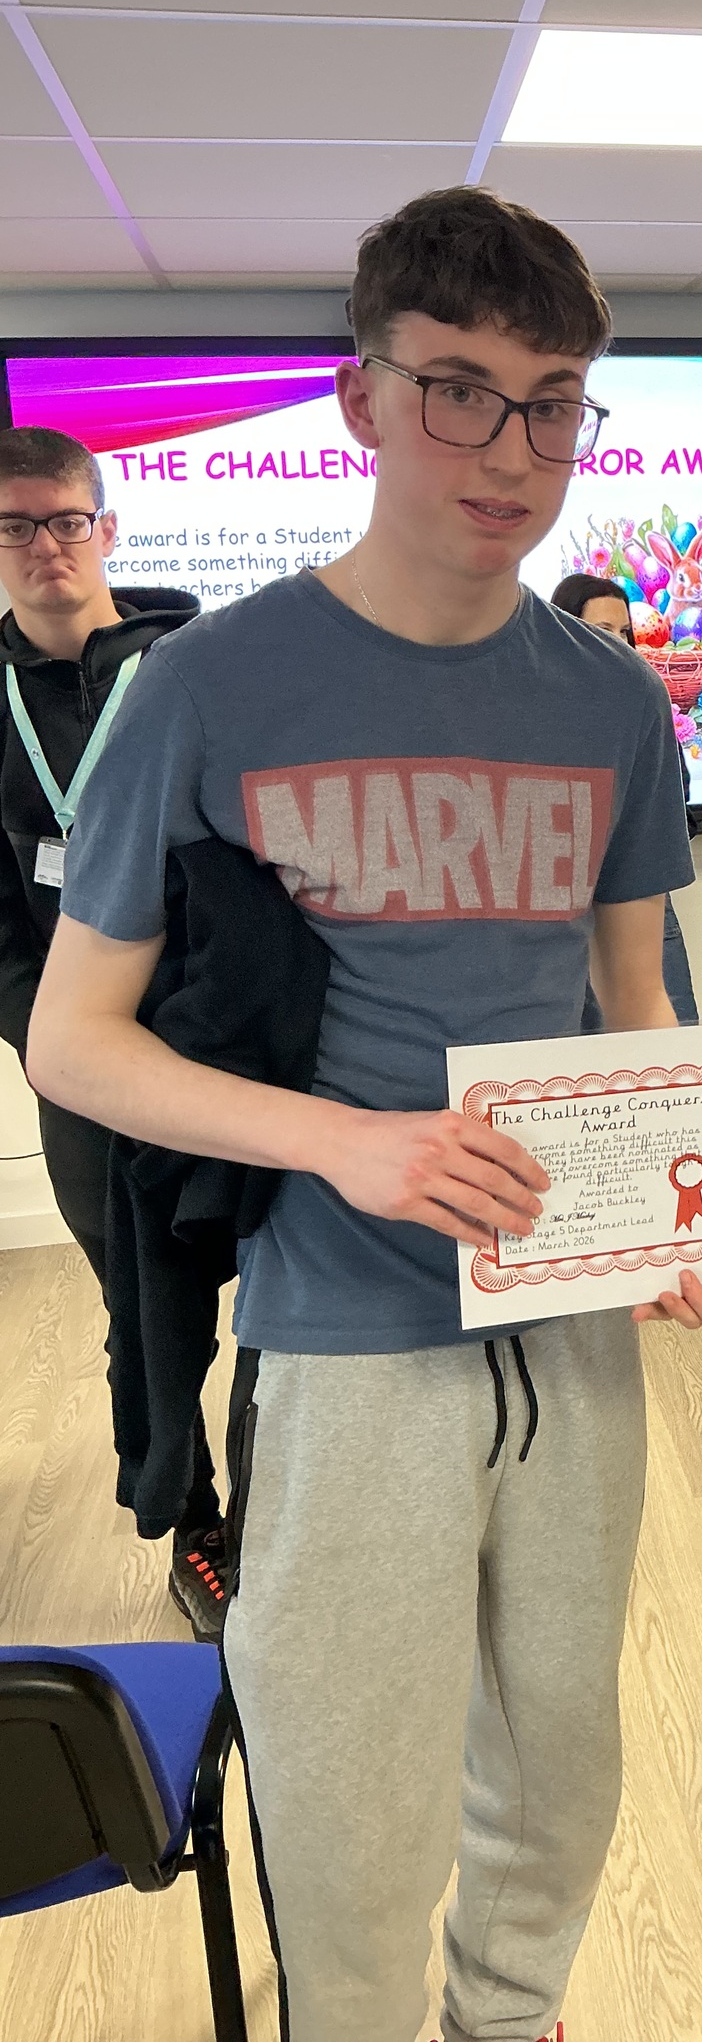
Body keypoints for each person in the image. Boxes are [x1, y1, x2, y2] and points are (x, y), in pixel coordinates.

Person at [27, 187, 702, 2042]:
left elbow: (635, 995)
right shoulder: (205, 687)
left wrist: (680, 1200)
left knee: (561, 1753)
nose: (511, 452)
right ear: (361, 395)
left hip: (564, 1325)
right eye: (458, 391)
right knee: (352, 1788)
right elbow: (74, 1042)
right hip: (343, 1334)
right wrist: (346, 1140)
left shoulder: (611, 701)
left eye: (553, 403)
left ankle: (510, 2015)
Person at [0, 424, 229, 1638]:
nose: (45, 545)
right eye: (15, 526)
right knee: (141, 1307)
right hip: (81, 1070)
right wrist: (52, 1038)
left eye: (66, 520)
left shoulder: (198, 665)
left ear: (108, 529)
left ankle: (295, 1504)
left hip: (229, 1051)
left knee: (282, 1283)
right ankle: (199, 1528)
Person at [549, 569, 699, 1025]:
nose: (617, 645)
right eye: (602, 631)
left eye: (624, 633)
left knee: (673, 1030)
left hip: (638, 892)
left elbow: (674, 802)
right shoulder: (538, 716)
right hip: (560, 903)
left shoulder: (643, 704)